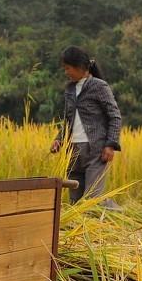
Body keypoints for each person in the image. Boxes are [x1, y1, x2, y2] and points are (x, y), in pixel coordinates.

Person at [49, 46, 122, 205]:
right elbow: (68, 120)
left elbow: (115, 116)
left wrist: (110, 145)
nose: (66, 72)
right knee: (75, 201)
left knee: (92, 199)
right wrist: (59, 139)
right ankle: (81, 230)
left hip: (95, 150)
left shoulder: (99, 86)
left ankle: (119, 214)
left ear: (79, 67)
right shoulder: (69, 89)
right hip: (73, 151)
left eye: (68, 68)